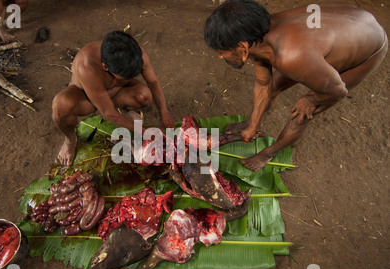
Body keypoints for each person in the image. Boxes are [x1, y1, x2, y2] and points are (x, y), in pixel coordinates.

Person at [204, 0, 387, 171]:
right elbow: (263, 83)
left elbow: (338, 90)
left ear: (243, 48)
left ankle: (269, 152)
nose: (220, 56)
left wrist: (311, 98)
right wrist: (253, 123)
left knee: (302, 112)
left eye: (222, 52)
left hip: (370, 45)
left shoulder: (291, 56)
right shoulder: (258, 34)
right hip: (347, 24)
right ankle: (251, 124)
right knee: (273, 85)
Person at [52, 31, 175, 166]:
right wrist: (146, 131)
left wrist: (164, 111)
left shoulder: (137, 54)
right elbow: (108, 113)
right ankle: (70, 139)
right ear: (105, 67)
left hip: (117, 93)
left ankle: (126, 110)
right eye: (124, 77)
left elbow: (153, 82)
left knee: (144, 96)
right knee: (61, 106)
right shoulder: (87, 65)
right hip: (88, 98)